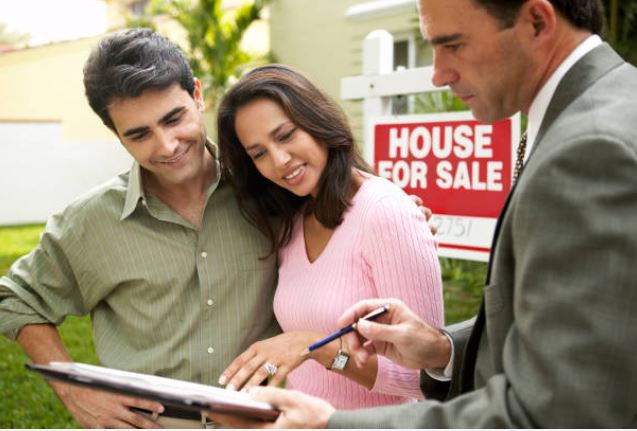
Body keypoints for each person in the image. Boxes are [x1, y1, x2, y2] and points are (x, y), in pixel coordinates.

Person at [204, 0, 637, 427]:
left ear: (537, 21)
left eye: (453, 44)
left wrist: (330, 422)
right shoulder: (591, 118)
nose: (438, 73)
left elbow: (560, 408)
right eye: (259, 152)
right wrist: (442, 347)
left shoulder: (589, 148)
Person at [0, 28, 281, 428]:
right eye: (139, 134)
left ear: (197, 95)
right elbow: (15, 298)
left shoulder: (269, 194)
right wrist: (74, 387)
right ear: (116, 135)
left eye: (174, 118)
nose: (166, 145)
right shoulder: (91, 221)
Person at [213, 65, 443, 409]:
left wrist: (316, 347)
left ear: (316, 120)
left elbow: (427, 376)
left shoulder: (386, 212)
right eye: (258, 153)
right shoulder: (291, 220)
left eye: (286, 135)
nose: (279, 160)